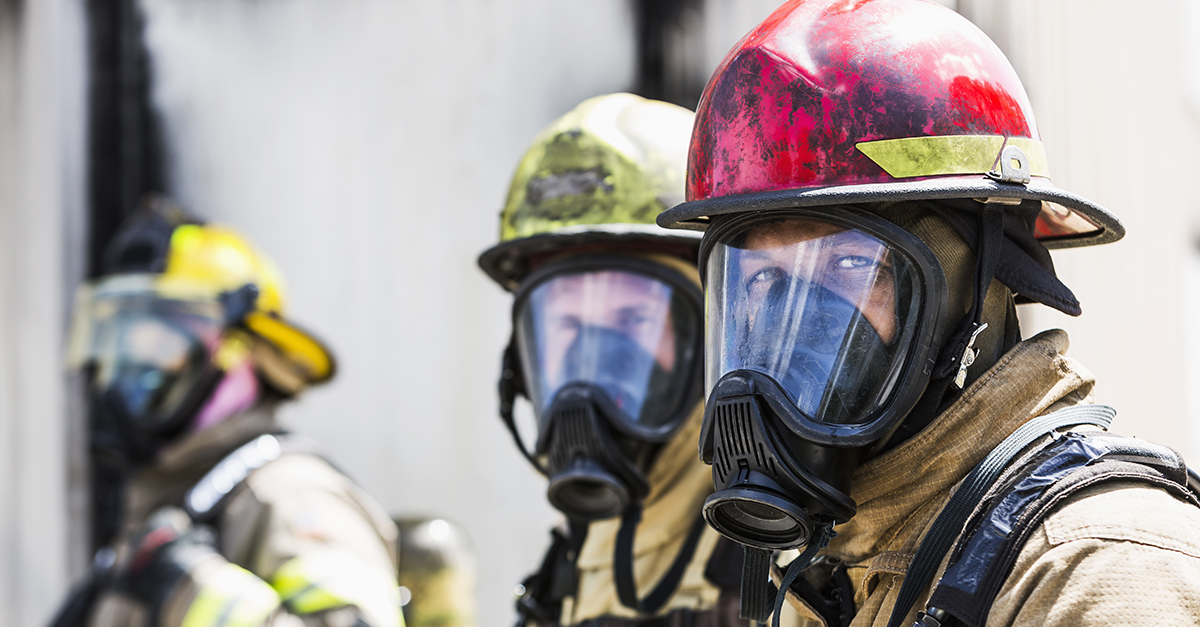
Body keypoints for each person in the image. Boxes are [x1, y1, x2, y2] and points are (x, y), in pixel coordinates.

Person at [655, 1, 1200, 626]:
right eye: (761, 280)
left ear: (975, 290)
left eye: (851, 268)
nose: (791, 323)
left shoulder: (1098, 571)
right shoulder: (842, 570)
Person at [54, 197, 403, 627]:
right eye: (124, 347)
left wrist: (193, 593)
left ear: (237, 356)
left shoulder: (287, 495)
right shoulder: (170, 504)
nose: (134, 375)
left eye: (162, 346)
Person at [478, 93, 748, 627]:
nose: (591, 365)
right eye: (567, 326)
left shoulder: (784, 558)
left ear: (722, 327)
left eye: (632, 321)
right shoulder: (582, 553)